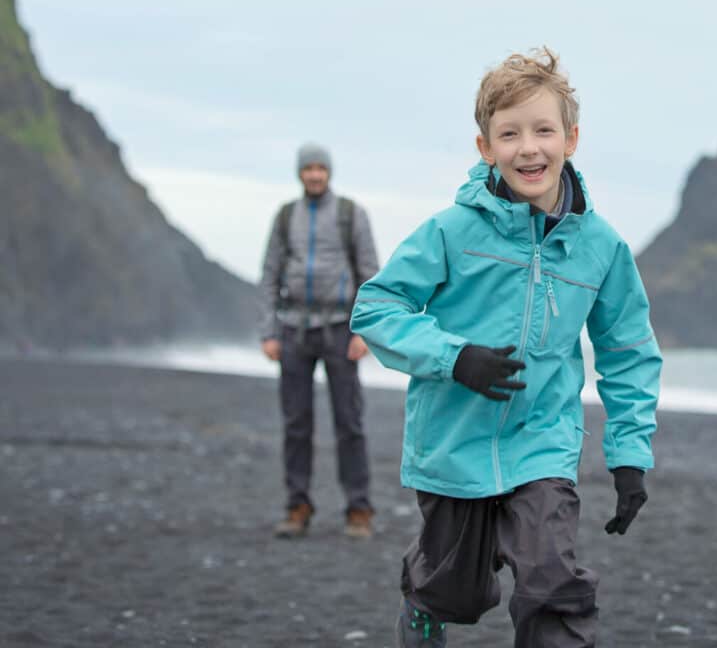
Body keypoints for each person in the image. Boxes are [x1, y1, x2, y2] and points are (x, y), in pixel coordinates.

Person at [351, 48, 661, 647]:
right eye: (510, 133)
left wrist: (630, 453)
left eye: (544, 130)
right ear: (484, 147)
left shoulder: (601, 247)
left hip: (543, 442)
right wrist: (454, 357)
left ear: (571, 139)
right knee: (454, 592)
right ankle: (423, 608)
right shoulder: (451, 230)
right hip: (452, 445)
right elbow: (376, 308)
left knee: (552, 581)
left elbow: (627, 350)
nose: (529, 148)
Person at [259, 143, 380, 539]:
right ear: (299, 173)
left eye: (320, 168)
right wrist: (268, 332)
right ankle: (297, 506)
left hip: (341, 329)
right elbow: (270, 273)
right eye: (308, 168)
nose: (314, 174)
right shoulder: (285, 216)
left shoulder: (350, 214)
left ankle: (358, 509)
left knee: (349, 422)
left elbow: (370, 274)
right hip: (293, 331)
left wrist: (365, 331)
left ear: (329, 172)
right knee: (296, 424)